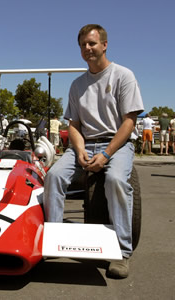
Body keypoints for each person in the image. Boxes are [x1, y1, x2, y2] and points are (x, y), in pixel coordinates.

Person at [43, 24, 144, 279]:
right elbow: (74, 125)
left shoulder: (123, 75)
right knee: (53, 176)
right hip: (84, 143)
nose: (87, 49)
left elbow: (129, 122)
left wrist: (107, 154)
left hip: (117, 143)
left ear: (104, 45)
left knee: (116, 181)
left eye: (92, 44)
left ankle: (121, 253)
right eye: (82, 46)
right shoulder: (77, 85)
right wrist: (78, 151)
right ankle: (53, 240)